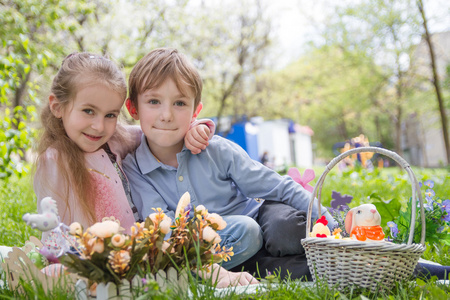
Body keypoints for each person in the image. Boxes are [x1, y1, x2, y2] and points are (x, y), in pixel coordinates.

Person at [33, 52, 253, 288]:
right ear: (57, 106)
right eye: (88, 111)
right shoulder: (54, 161)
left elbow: (160, 132)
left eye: (110, 115)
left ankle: (190, 269)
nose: (99, 126)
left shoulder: (116, 138)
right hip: (102, 259)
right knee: (65, 274)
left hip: (149, 245)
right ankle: (196, 273)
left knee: (245, 231)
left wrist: (195, 128)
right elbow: (54, 232)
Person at [122, 48, 337, 280]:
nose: (166, 115)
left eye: (180, 103)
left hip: (261, 218)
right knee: (259, 250)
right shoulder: (135, 168)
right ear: (133, 108)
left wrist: (333, 225)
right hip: (218, 247)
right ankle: (280, 267)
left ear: (196, 111)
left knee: (284, 230)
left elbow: (278, 186)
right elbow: (165, 230)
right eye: (154, 101)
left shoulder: (215, 149)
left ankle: (322, 252)